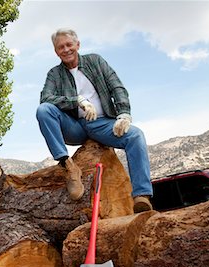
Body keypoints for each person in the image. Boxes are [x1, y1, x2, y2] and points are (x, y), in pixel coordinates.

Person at [36, 28, 153, 212]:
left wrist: (124, 113)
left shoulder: (95, 61)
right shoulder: (54, 74)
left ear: (77, 45)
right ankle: (68, 167)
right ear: (56, 51)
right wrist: (77, 101)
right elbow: (46, 98)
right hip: (74, 126)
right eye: (60, 47)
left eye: (69, 45)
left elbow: (117, 86)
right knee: (43, 110)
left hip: (101, 123)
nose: (66, 50)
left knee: (136, 135)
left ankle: (141, 195)